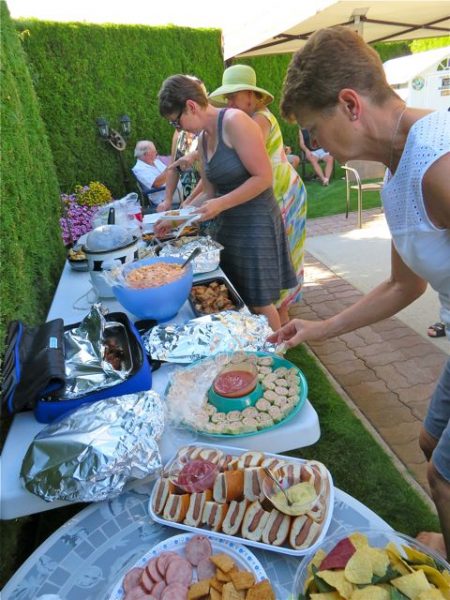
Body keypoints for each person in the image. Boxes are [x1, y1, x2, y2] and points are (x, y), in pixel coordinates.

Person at [269, 26, 450, 560]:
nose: (313, 145)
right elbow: (403, 283)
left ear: (348, 104)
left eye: (312, 129)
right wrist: (318, 327)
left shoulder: (438, 163)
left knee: (441, 477)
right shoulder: (396, 175)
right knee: (428, 443)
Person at [157, 74, 297, 331]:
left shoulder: (235, 121)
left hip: (256, 222)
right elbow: (210, 195)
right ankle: (253, 349)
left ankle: (278, 359)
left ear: (191, 106)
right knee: (237, 294)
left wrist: (221, 204)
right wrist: (175, 217)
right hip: (229, 225)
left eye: (176, 122)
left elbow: (263, 178)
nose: (179, 129)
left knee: (260, 302)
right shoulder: (202, 138)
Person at [209, 64, 307, 325]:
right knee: (276, 261)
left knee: (280, 260)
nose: (229, 103)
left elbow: (245, 157)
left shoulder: (259, 119)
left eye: (233, 96)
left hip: (284, 192)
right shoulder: (248, 119)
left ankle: (282, 320)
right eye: (227, 98)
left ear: (251, 95)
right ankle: (282, 320)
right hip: (273, 191)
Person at [157, 130, 201, 213]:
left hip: (208, 197)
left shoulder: (207, 130)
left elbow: (208, 176)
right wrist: (167, 200)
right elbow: (173, 167)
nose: (175, 125)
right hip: (188, 198)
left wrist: (190, 200)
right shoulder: (179, 132)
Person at [132, 140, 182, 209]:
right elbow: (157, 183)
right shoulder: (138, 169)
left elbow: (170, 173)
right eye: (154, 151)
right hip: (165, 198)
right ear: (146, 154)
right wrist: (172, 165)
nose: (156, 153)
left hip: (176, 192)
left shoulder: (156, 162)